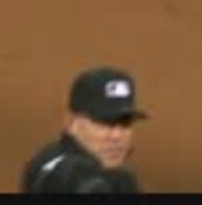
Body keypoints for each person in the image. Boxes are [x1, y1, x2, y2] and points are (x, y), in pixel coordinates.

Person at [21, 66, 149, 193]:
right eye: (104, 122)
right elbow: (70, 178)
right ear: (71, 122)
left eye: (125, 123)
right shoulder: (57, 167)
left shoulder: (120, 180)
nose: (116, 136)